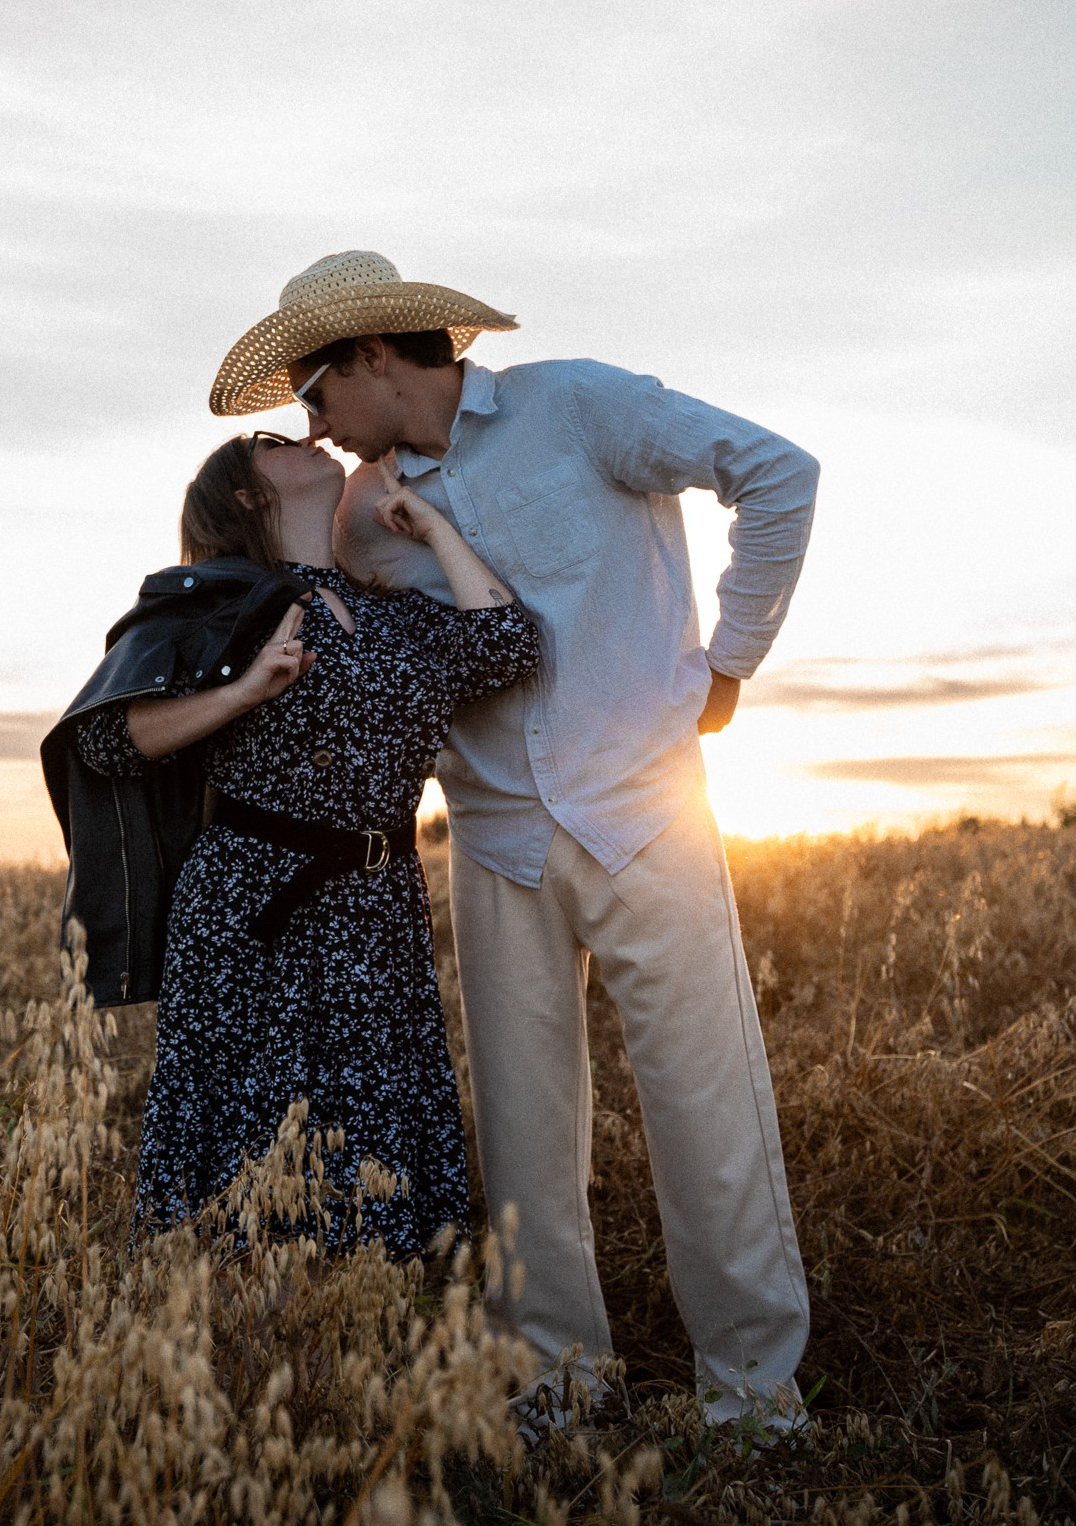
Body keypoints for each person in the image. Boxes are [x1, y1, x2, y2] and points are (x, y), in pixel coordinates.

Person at [209, 250, 820, 1428]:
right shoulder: (351, 516)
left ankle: (752, 1402)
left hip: (647, 813)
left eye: (315, 389)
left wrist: (728, 664)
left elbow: (776, 471)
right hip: (492, 836)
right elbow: (332, 639)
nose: (313, 421)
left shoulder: (577, 405)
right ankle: (557, 1385)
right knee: (526, 1144)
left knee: (708, 1111)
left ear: (375, 355)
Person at [41, 429, 540, 1254]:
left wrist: (433, 528)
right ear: (246, 495)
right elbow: (109, 739)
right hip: (250, 910)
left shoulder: (389, 611)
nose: (307, 437)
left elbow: (506, 645)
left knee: (368, 1138)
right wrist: (244, 690)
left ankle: (358, 1335)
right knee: (254, 1146)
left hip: (378, 910)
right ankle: (242, 1342)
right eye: (273, 443)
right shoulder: (215, 603)